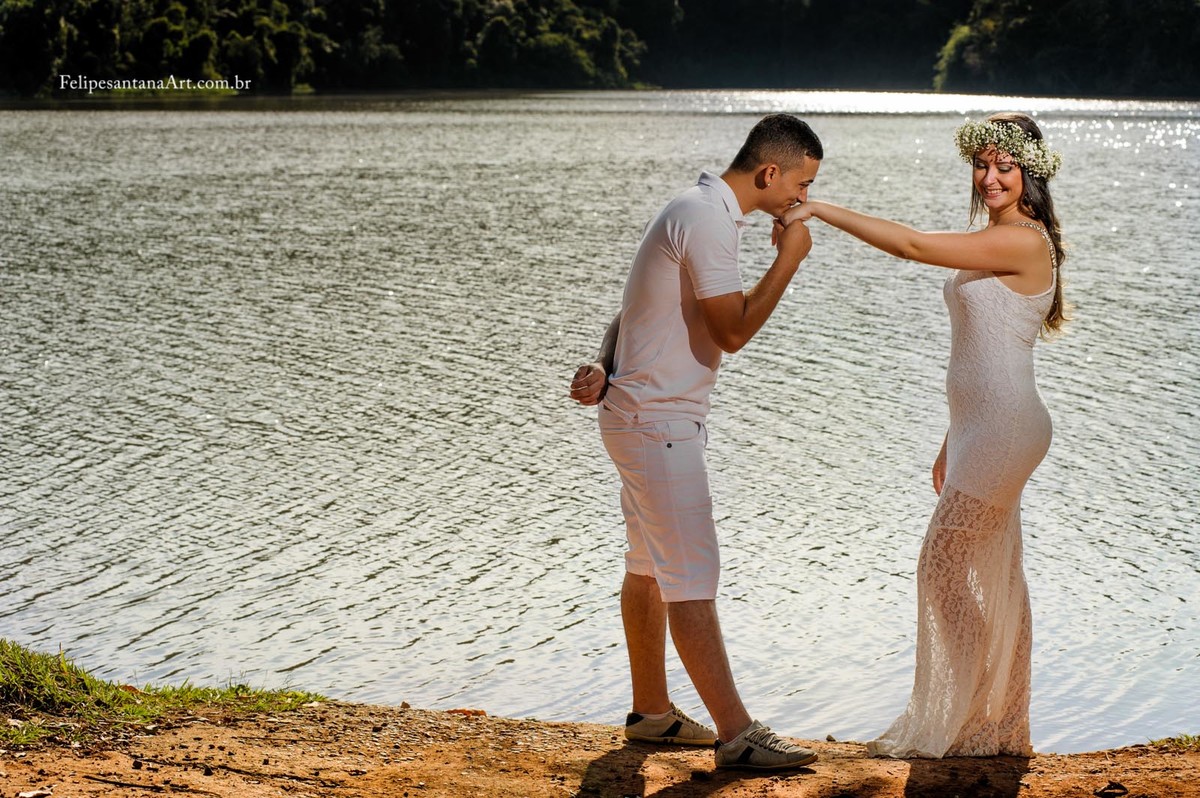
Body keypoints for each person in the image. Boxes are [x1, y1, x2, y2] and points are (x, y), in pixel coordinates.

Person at [779, 112, 1067, 758]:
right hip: (980, 429)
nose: (990, 178)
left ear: (1030, 173)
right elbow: (980, 352)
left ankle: (977, 713)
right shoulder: (995, 235)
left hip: (1006, 427)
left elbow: (909, 245)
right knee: (991, 575)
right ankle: (996, 723)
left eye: (1005, 167)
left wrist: (822, 211)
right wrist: (950, 438)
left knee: (941, 567)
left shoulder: (1023, 240)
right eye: (982, 164)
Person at [569, 114, 823, 770]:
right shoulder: (708, 219)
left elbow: (634, 311)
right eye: (801, 185)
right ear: (769, 174)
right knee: (690, 575)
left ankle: (651, 713)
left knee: (650, 566)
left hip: (641, 415)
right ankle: (737, 734)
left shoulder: (698, 211)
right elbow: (733, 330)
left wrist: (605, 361)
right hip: (657, 423)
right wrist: (789, 262)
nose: (802, 200)